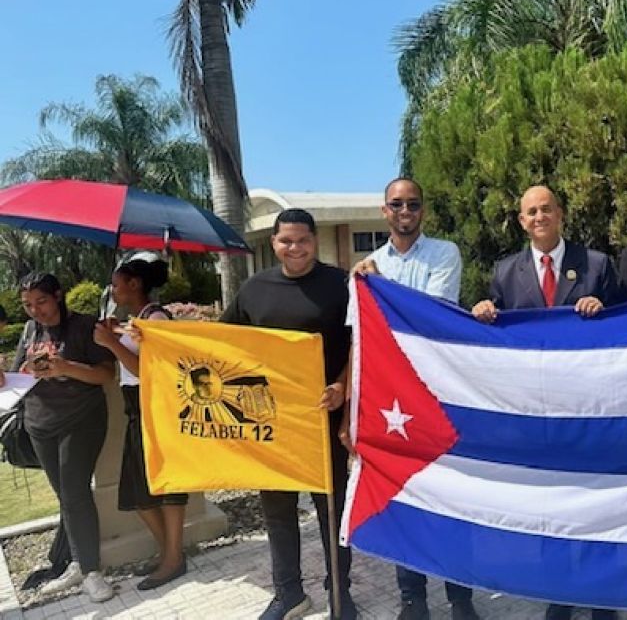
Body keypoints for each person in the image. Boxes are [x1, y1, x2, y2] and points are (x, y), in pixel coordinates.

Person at [472, 184, 622, 620]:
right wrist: (482, 311)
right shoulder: (505, 272)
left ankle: (603, 601)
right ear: (522, 221)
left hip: (589, 412)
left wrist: (604, 307)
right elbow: (493, 332)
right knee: (551, 510)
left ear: (560, 214)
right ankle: (561, 595)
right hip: (536, 417)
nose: (539, 217)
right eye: (531, 212)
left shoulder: (595, 265)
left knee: (596, 505)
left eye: (546, 209)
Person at [337, 177, 478, 620]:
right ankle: (411, 597)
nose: (404, 211)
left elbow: (429, 319)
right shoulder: (365, 270)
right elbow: (359, 340)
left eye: (412, 204)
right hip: (388, 405)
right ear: (384, 211)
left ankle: (461, 599)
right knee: (402, 497)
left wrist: (382, 289)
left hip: (438, 396)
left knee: (451, 496)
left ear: (422, 210)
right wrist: (349, 413)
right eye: (396, 204)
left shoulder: (444, 253)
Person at [221, 208, 355, 620]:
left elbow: (363, 344)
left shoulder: (341, 285)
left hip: (323, 417)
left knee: (330, 512)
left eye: (302, 240)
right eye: (286, 241)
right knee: (277, 512)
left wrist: (342, 387)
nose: (294, 248)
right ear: (274, 243)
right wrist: (156, 339)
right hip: (271, 421)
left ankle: (340, 593)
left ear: (314, 241)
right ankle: (288, 593)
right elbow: (219, 341)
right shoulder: (254, 289)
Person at [0, 272, 116, 602]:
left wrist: (65, 368)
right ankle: (80, 562)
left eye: (41, 302)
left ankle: (91, 571)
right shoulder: (30, 329)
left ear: (59, 296)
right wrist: (9, 375)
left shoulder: (84, 326)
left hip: (81, 420)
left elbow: (105, 374)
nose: (35, 311)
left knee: (75, 490)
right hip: (40, 424)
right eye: (27, 306)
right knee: (65, 496)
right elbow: (24, 370)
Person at [93, 256, 189, 591]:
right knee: (138, 488)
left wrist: (112, 343)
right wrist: (113, 337)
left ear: (135, 284)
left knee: (168, 485)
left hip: (157, 408)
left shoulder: (157, 317)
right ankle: (169, 554)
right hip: (137, 410)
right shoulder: (135, 320)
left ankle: (174, 558)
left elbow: (152, 371)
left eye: (116, 283)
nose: (113, 290)